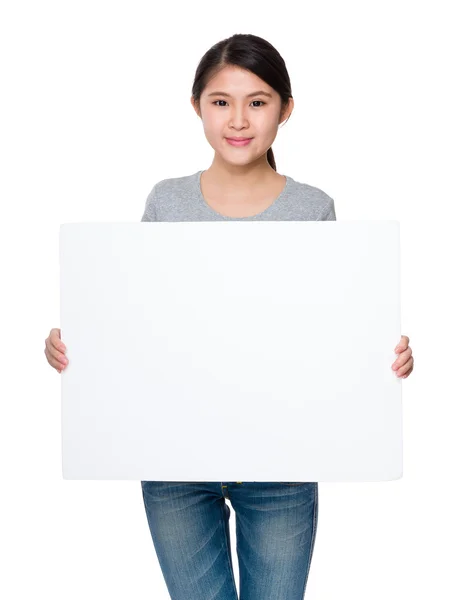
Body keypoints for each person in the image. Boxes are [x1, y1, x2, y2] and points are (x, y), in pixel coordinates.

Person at [44, 33, 414, 600]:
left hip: (282, 459)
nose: (238, 120)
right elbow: (140, 321)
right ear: (197, 107)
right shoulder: (166, 202)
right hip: (173, 459)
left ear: (285, 110)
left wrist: (381, 358)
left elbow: (327, 331)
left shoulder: (312, 208)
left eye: (258, 101)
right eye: (220, 101)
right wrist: (78, 346)